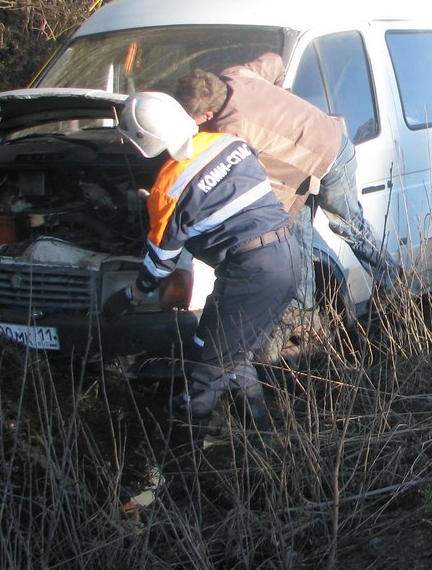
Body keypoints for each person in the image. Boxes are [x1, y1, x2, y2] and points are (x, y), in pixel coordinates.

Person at [104, 91, 301, 440]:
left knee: (204, 374)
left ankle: (181, 475)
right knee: (227, 354)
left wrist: (128, 297)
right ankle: (267, 447)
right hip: (285, 254)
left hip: (251, 274)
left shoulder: (167, 191)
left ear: (143, 145)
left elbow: (159, 264)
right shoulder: (230, 144)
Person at [173, 55, 399, 317]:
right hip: (296, 170)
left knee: (346, 223)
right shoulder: (236, 73)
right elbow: (275, 61)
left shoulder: (230, 131)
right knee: (293, 234)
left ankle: (392, 280)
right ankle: (303, 312)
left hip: (330, 151)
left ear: (207, 115)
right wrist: (279, 101)